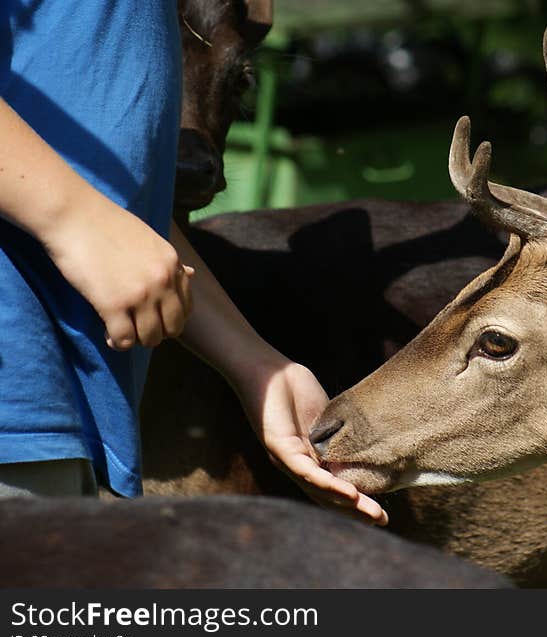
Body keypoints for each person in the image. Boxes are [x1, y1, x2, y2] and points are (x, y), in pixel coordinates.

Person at [0, 1, 386, 524]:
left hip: (54, 420)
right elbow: (88, 213)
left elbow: (110, 198)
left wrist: (256, 365)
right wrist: (74, 220)